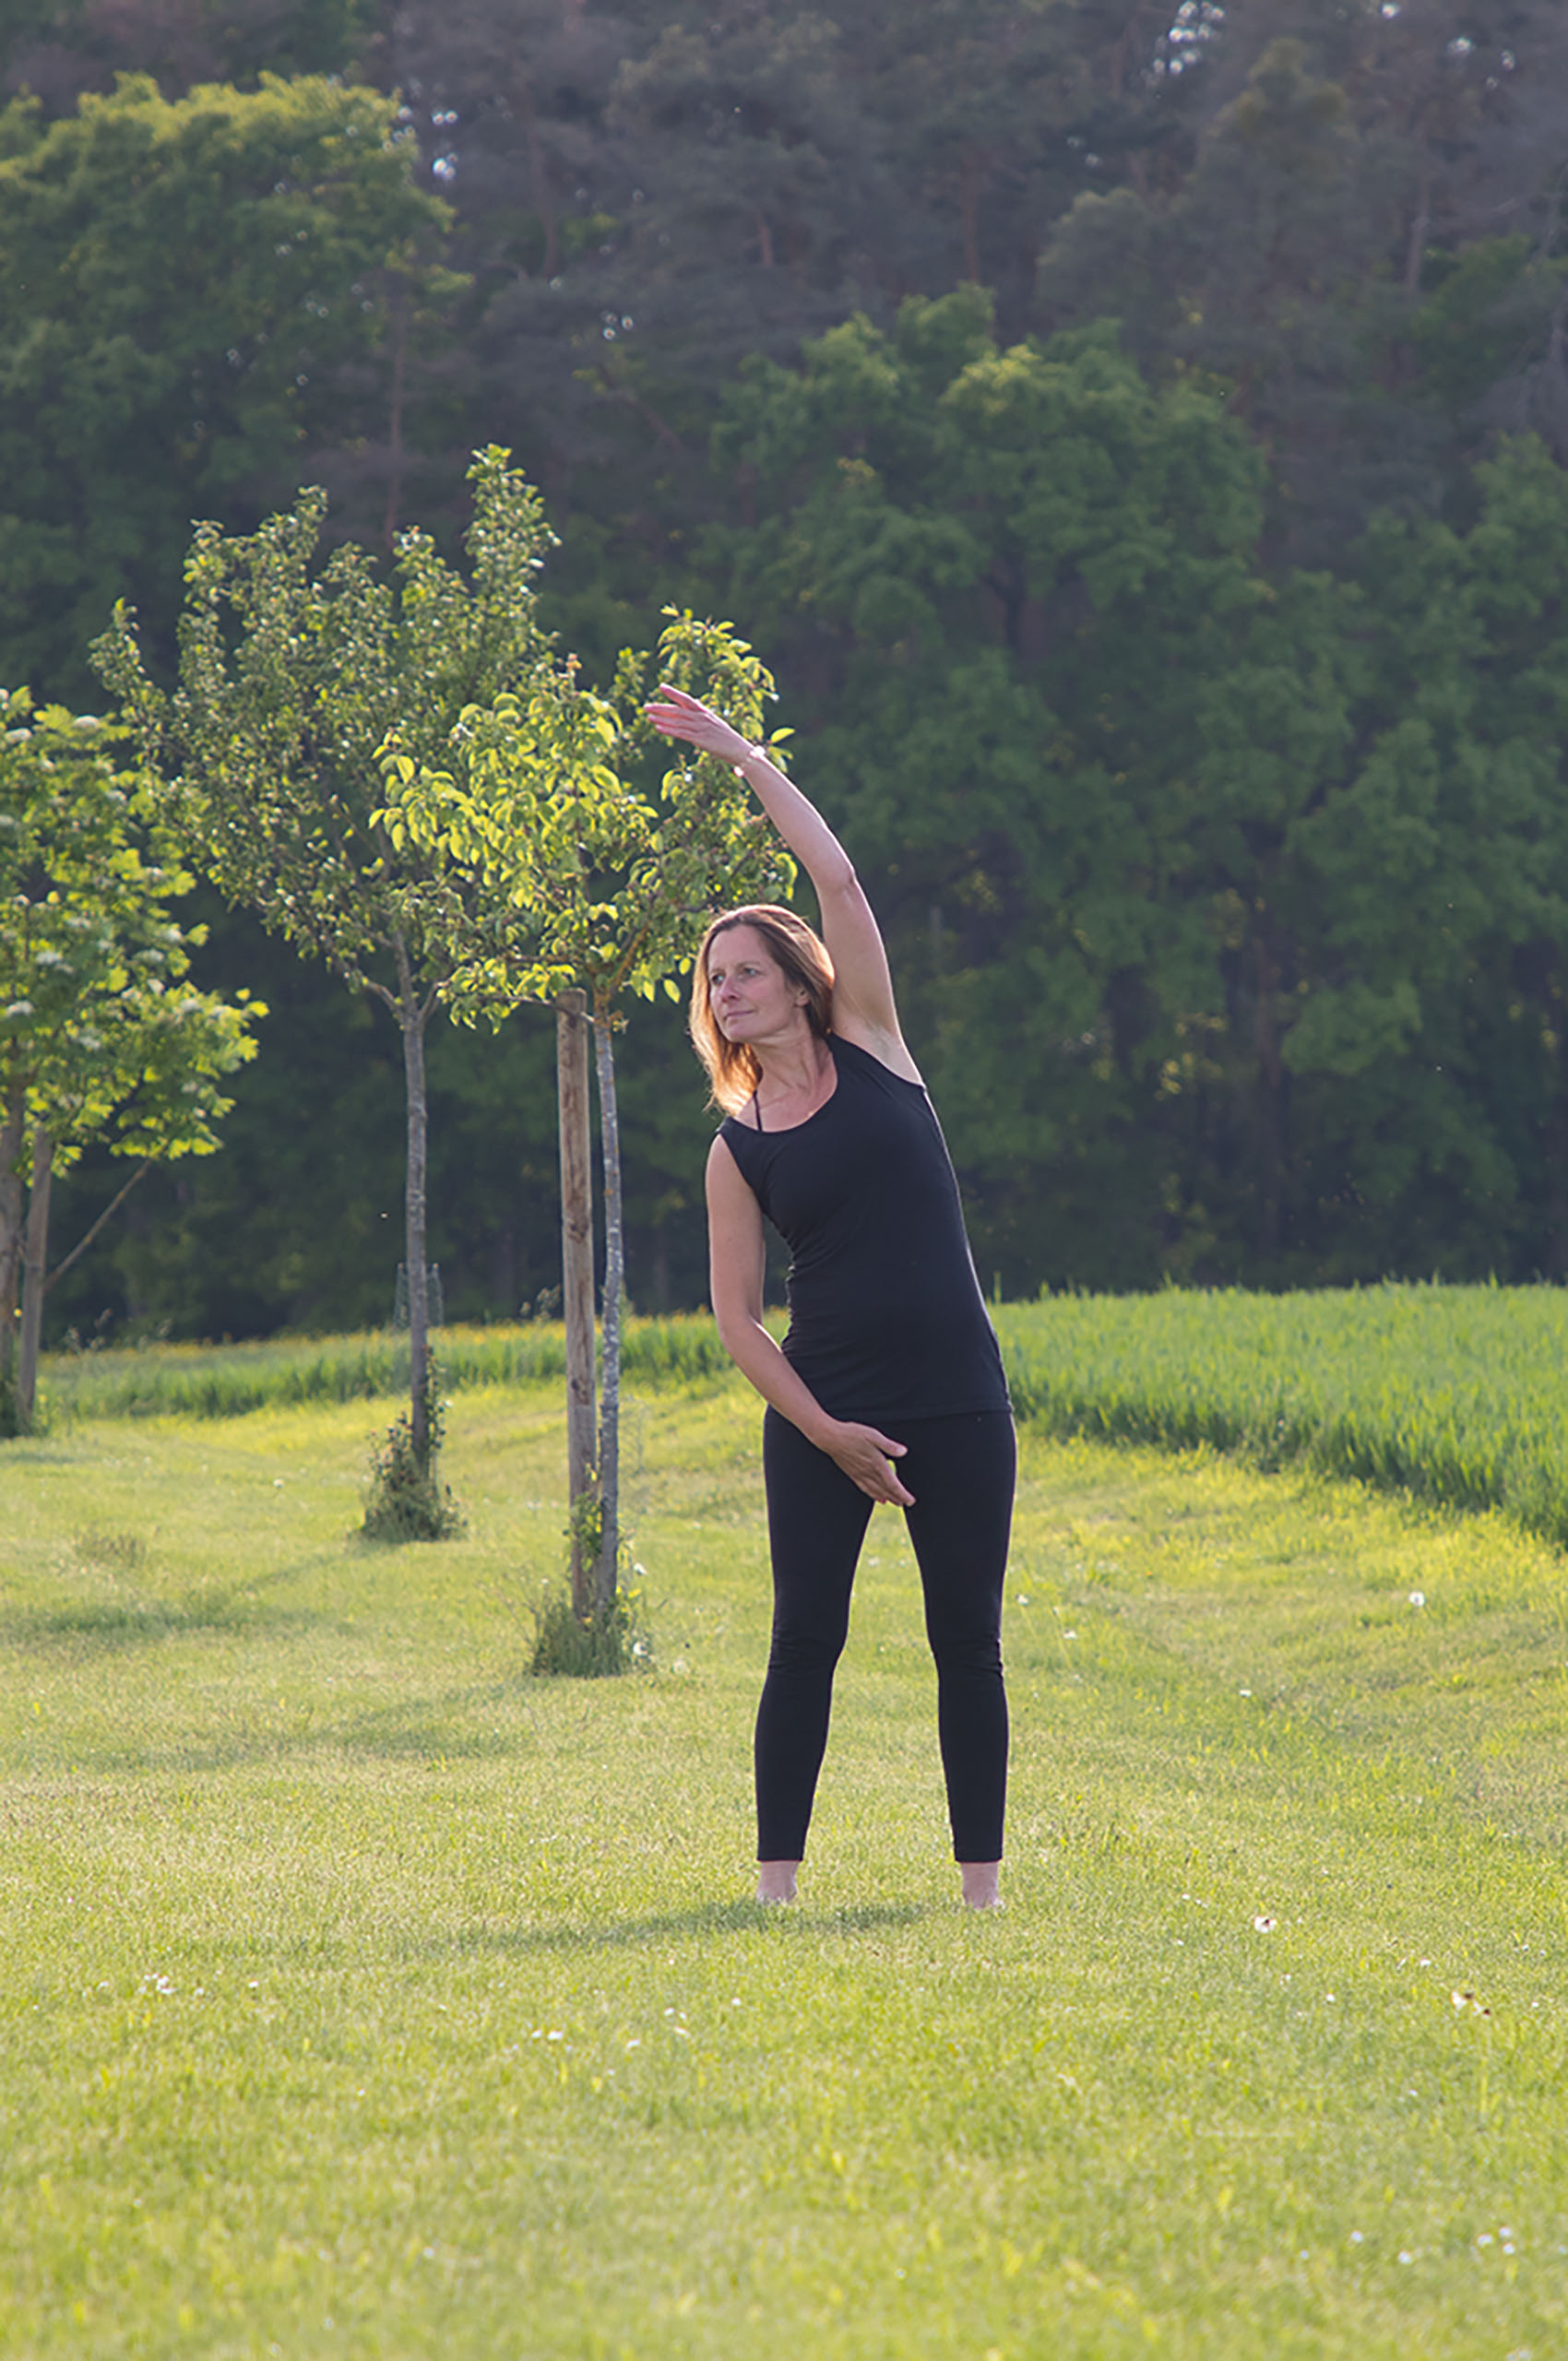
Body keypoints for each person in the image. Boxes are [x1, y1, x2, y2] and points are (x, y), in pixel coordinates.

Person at [645, 684, 1016, 1909]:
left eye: (745, 971)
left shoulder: (876, 1044)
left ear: (800, 984)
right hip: (823, 1416)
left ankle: (979, 1895)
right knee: (808, 1639)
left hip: (959, 1400)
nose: (727, 991)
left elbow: (840, 885)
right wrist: (828, 1435)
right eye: (714, 982)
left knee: (965, 1639)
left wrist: (748, 760)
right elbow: (738, 1321)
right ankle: (774, 1891)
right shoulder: (734, 1143)